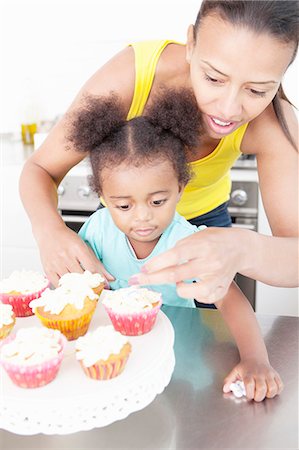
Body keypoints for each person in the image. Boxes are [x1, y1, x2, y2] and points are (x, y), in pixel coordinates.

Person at [19, 0, 298, 301]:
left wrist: (243, 248)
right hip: (121, 227)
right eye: (214, 78)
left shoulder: (271, 123)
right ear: (191, 44)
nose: (228, 109)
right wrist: (49, 230)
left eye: (257, 90)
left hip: (208, 227)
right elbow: (41, 169)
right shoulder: (131, 76)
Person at [67, 90, 283, 401]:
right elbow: (75, 289)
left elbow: (232, 302)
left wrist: (254, 360)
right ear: (102, 197)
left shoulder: (190, 242)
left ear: (180, 189)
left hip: (177, 356)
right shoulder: (97, 231)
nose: (142, 217)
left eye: (157, 201)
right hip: (117, 360)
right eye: (123, 206)